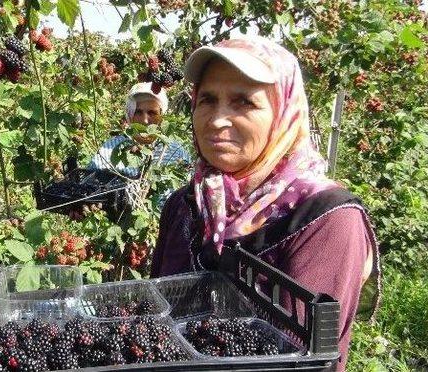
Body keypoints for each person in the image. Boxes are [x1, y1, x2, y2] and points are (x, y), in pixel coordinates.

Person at [151, 37, 380, 371]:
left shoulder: (325, 220)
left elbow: (294, 360)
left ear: (283, 113)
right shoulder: (184, 205)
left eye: (244, 102)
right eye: (207, 100)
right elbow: (154, 319)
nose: (217, 120)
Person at [88, 82, 191, 179]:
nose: (145, 120)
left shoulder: (176, 153)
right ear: (129, 116)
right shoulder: (109, 151)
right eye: (138, 112)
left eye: (152, 113)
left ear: (162, 118)